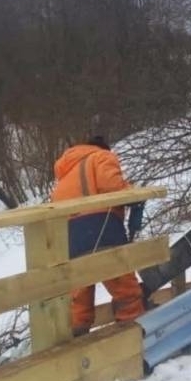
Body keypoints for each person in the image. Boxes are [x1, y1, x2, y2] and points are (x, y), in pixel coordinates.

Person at [50, 132, 147, 336]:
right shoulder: (101, 156)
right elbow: (112, 187)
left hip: (69, 236)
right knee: (124, 287)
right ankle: (134, 338)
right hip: (101, 227)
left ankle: (76, 343)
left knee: (79, 294)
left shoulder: (66, 174)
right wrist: (133, 193)